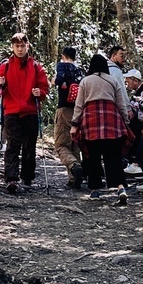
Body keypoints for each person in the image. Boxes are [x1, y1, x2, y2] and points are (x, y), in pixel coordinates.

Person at [0, 32, 50, 194]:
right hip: (11, 111)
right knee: (13, 144)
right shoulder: (5, 66)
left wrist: (40, 92)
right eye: (17, 46)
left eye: (22, 46)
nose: (20, 49)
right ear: (12, 47)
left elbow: (45, 88)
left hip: (30, 111)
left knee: (30, 146)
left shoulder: (36, 67)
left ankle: (27, 177)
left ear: (27, 46)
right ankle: (11, 178)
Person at [70, 53, 130, 204]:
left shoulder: (85, 81)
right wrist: (125, 120)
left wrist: (74, 124)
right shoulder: (113, 80)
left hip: (91, 120)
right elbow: (121, 103)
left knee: (92, 155)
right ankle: (120, 188)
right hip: (111, 118)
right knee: (114, 156)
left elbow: (79, 105)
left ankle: (95, 190)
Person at [53, 46, 85, 189]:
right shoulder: (80, 70)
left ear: (63, 55)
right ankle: (74, 179)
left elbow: (59, 80)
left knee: (61, 144)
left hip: (65, 107)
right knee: (74, 144)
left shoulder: (62, 66)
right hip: (79, 109)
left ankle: (74, 166)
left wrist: (54, 81)